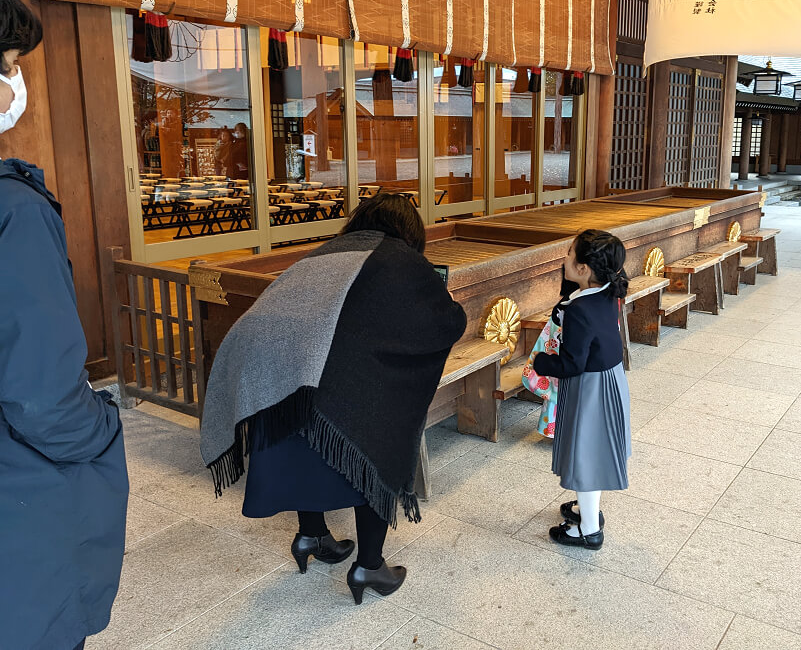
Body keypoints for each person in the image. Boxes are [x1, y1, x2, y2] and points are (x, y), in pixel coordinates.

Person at [200, 193, 467, 603]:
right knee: (377, 442)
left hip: (276, 370)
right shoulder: (401, 258)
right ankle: (369, 567)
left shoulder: (326, 251)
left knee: (303, 443)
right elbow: (446, 321)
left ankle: (312, 537)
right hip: (325, 370)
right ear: (410, 230)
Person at [0, 0, 129, 650]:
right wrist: (103, 427)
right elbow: (44, 397)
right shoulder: (14, 212)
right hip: (20, 501)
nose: (15, 82)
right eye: (10, 62)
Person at [533, 229, 632, 551]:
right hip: (608, 379)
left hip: (591, 387)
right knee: (590, 452)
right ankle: (585, 509)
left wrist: (541, 362)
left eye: (569, 252)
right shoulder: (606, 290)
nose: (564, 257)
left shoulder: (578, 311)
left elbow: (571, 364)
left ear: (584, 268)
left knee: (587, 458)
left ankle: (589, 530)